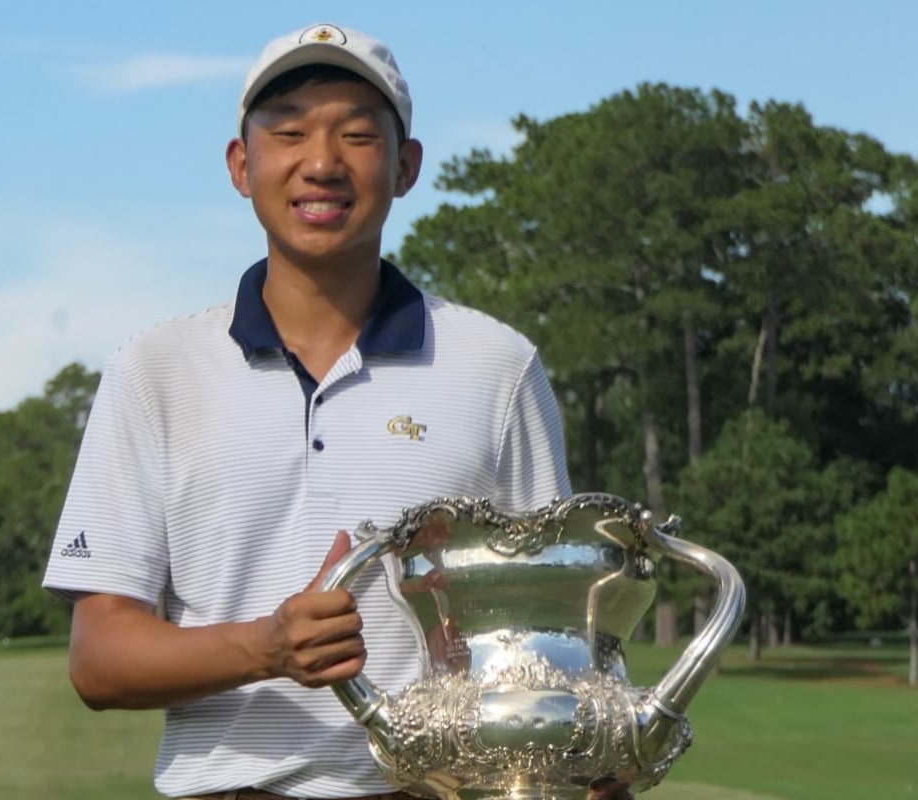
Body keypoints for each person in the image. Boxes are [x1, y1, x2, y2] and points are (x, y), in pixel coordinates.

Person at [41, 22, 602, 800]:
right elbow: (99, 661)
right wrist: (266, 647)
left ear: (406, 167)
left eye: (359, 135)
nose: (323, 162)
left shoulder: (496, 366)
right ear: (243, 166)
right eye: (291, 131)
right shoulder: (156, 370)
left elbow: (558, 629)